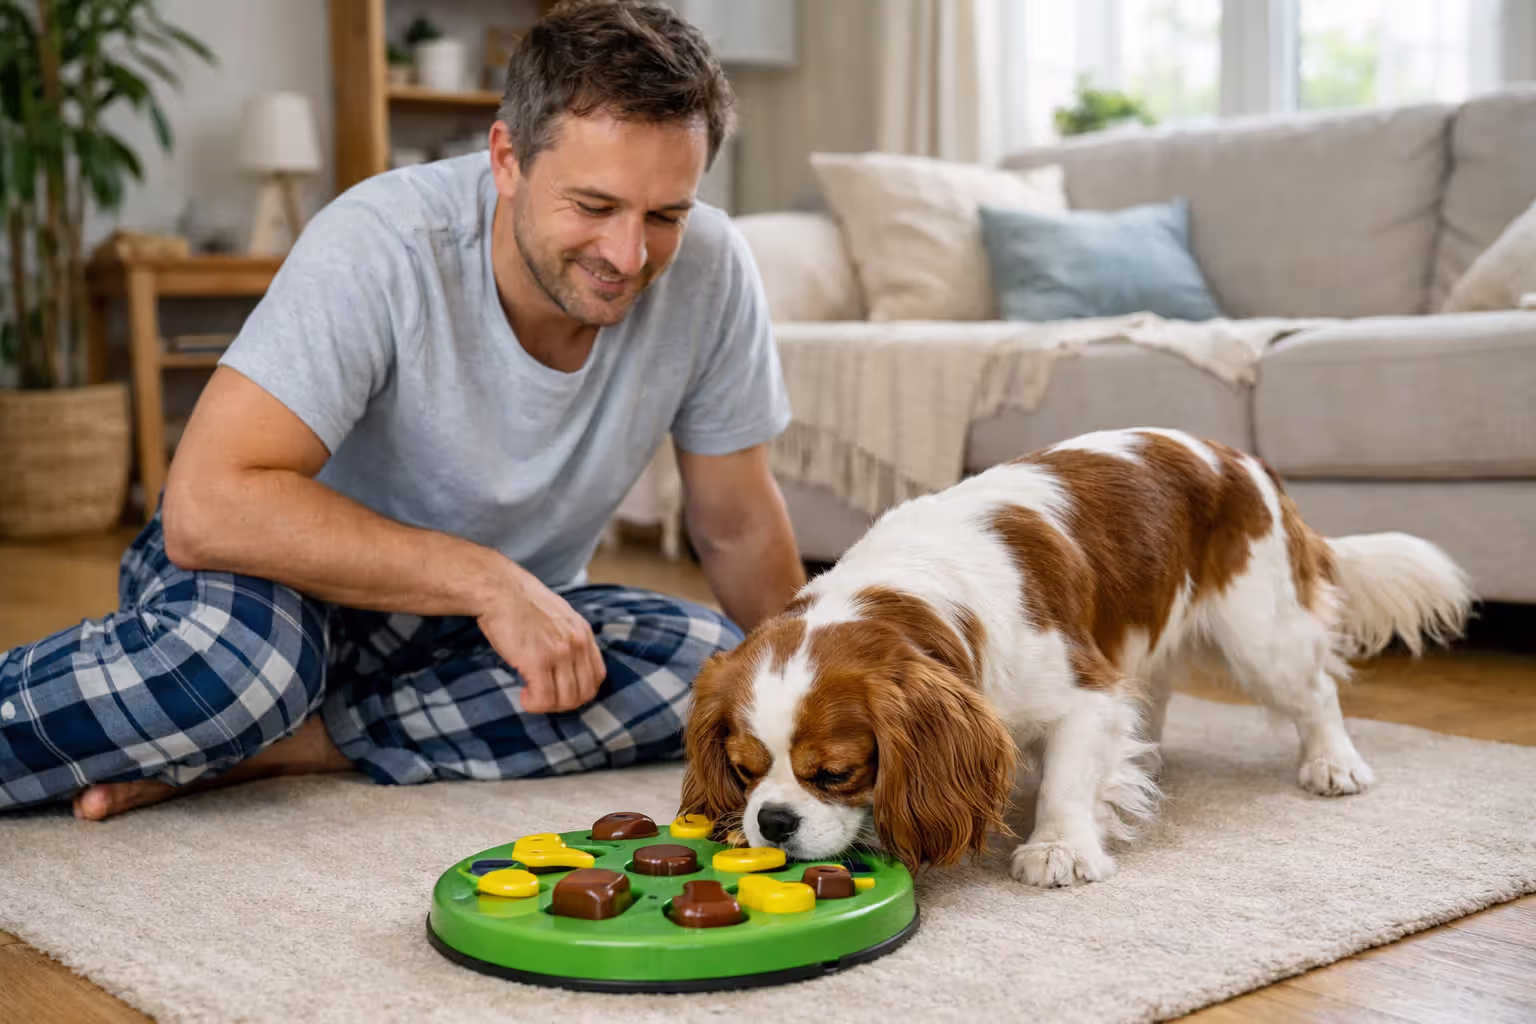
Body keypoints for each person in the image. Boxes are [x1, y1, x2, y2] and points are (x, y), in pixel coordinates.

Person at [0, 0, 804, 820]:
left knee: (714, 668)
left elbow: (737, 525)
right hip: (275, 586)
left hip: (460, 635)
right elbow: (207, 509)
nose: (629, 255)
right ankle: (259, 717)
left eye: (666, 214)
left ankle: (284, 746)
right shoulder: (382, 240)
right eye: (594, 207)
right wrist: (486, 580)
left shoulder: (712, 267)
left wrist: (819, 683)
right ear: (507, 158)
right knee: (243, 671)